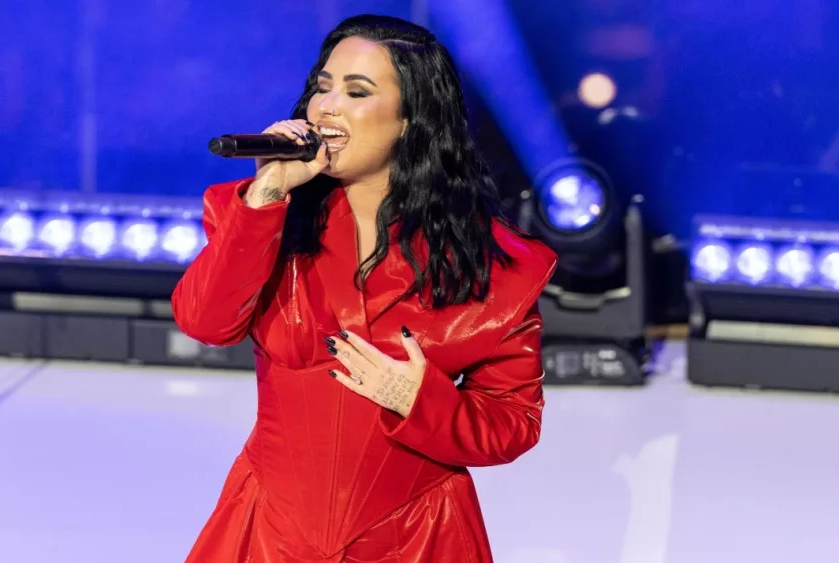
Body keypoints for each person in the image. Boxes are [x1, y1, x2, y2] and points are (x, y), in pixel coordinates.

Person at [172, 14, 557, 563]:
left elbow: (512, 423)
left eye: (356, 92)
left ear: (410, 121)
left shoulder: (492, 264)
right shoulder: (264, 219)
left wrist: (419, 401)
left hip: (417, 536)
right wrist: (268, 193)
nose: (326, 107)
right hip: (270, 532)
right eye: (322, 87)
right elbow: (205, 323)